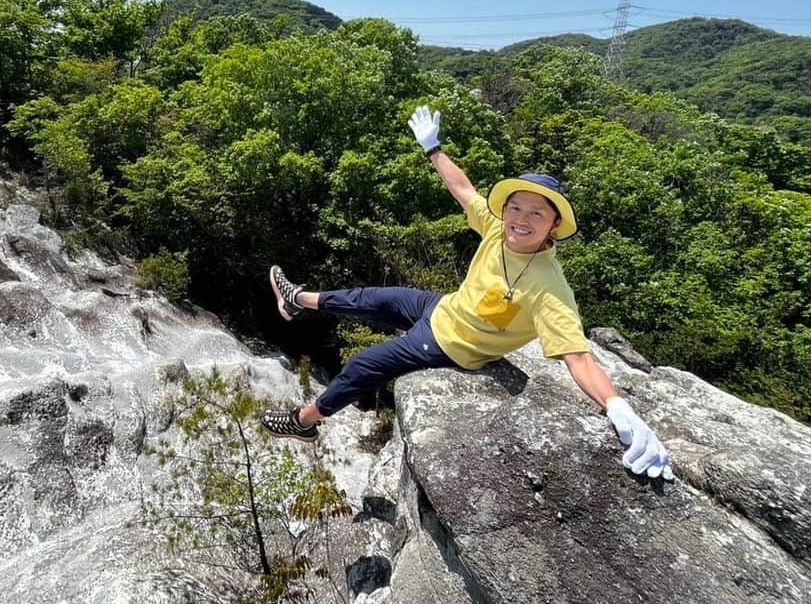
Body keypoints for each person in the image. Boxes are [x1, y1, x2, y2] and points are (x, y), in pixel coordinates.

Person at [259, 105, 674, 480]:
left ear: (553, 226)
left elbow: (577, 355)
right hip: (442, 308)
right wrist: (433, 149)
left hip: (449, 343)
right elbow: (464, 190)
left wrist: (616, 405)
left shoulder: (548, 285)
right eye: (516, 207)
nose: (521, 219)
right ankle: (298, 300)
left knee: (364, 365)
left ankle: (305, 421)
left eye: (536, 213)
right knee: (373, 297)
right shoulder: (497, 227)